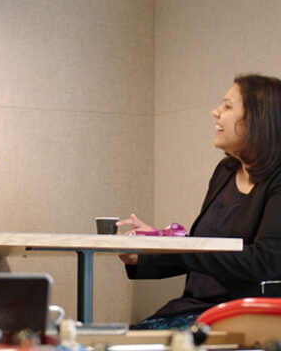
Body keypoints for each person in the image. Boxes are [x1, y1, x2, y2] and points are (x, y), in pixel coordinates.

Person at [118, 74, 281, 329]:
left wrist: (169, 245)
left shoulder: (277, 180)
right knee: (98, 350)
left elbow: (264, 262)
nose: (216, 112)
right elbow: (203, 257)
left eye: (228, 106)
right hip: (194, 310)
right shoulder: (226, 171)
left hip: (241, 319)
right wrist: (146, 255)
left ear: (259, 119)